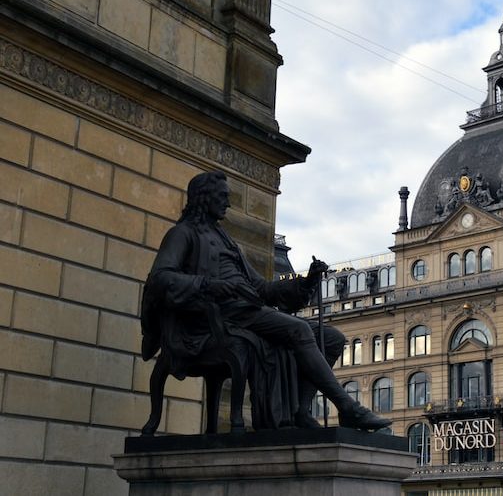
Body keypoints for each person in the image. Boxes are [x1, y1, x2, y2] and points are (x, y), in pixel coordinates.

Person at [140, 170, 390, 431]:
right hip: (216, 318)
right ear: (204, 198)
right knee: (300, 329)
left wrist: (306, 281)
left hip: (246, 311)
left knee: (332, 339)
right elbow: (160, 278)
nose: (227, 203)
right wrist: (210, 285)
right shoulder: (182, 234)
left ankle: (301, 412)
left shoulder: (227, 241)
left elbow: (262, 288)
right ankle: (347, 408)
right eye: (223, 197)